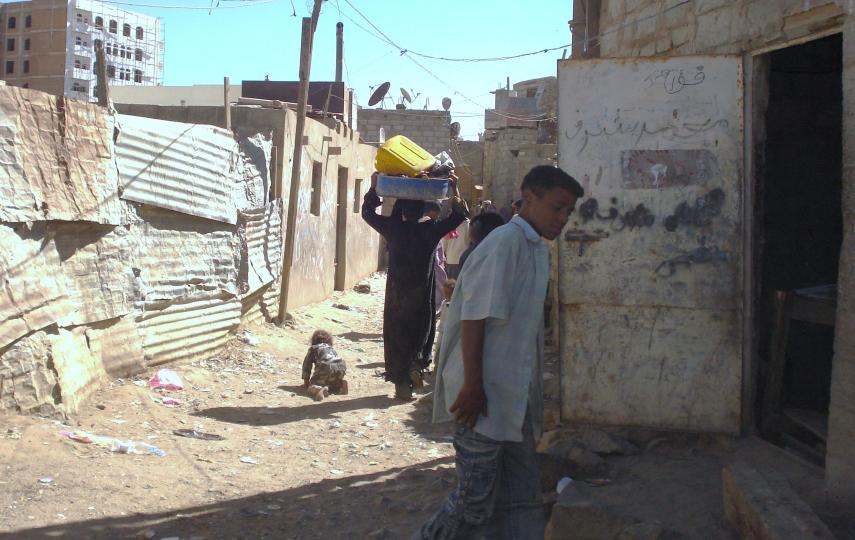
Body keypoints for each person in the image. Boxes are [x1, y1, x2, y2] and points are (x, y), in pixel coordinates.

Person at [415, 165, 583, 539]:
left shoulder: (533, 246)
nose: (562, 218)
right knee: (472, 503)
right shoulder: (507, 243)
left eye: (568, 211)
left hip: (512, 398)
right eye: (557, 207)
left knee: (520, 497)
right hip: (483, 398)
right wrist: (473, 385)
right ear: (529, 197)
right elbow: (475, 318)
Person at [362, 175, 467, 401]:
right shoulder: (430, 231)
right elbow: (460, 215)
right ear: (421, 211)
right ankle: (416, 367)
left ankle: (401, 381)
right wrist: (454, 189)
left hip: (397, 294)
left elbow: (367, 213)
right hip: (422, 291)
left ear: (400, 210)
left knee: (397, 334)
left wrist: (374, 188)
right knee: (421, 331)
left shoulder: (392, 228)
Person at [301, 330, 347, 402]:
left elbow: (306, 366)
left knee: (312, 385)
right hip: (341, 366)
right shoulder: (331, 348)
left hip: (326, 366)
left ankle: (318, 389)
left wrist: (307, 383)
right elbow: (334, 360)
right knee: (330, 381)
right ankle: (340, 384)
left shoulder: (313, 348)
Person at [424, 201, 448, 317]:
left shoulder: (419, 223)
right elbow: (437, 259)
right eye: (437, 212)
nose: (438, 215)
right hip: (433, 266)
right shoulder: (431, 226)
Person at [432, 278, 456, 366]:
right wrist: (435, 317)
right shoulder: (444, 302)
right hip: (442, 331)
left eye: (450, 293)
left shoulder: (455, 305)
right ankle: (436, 367)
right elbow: (441, 312)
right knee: (438, 349)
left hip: (450, 332)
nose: (447, 295)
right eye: (445, 293)